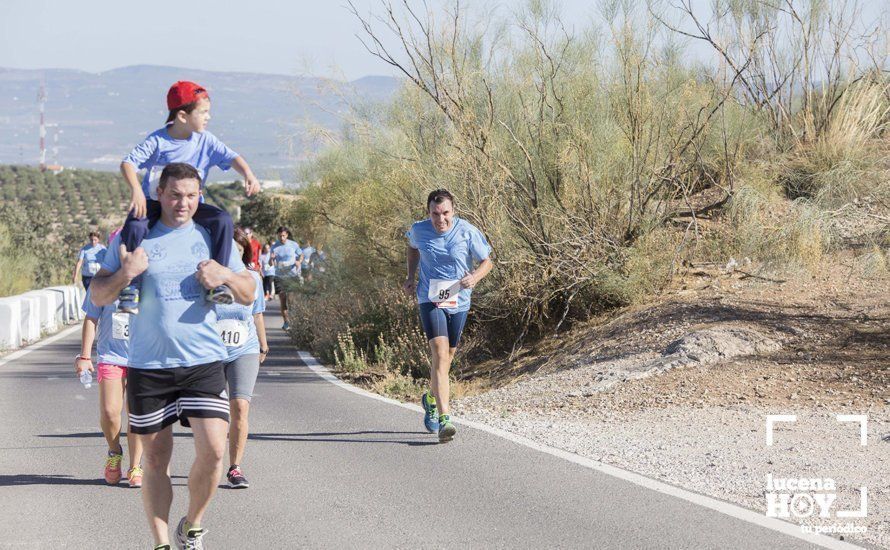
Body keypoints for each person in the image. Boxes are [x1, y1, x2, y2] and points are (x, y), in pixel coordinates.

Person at [90, 163, 256, 550]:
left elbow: (248, 292)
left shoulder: (213, 236)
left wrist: (225, 276)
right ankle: (162, 543)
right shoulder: (137, 235)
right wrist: (125, 274)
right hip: (149, 366)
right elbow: (98, 295)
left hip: (203, 361)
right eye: (175, 194)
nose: (183, 203)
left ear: (201, 197)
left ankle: (192, 526)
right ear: (160, 194)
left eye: (192, 195)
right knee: (154, 460)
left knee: (215, 451)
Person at [118, 80, 261, 314]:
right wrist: (136, 191)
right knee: (134, 225)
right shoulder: (158, 141)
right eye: (203, 112)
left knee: (223, 220)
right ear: (183, 116)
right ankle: (131, 287)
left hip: (192, 207)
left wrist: (248, 174)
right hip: (155, 203)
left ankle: (217, 283)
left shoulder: (206, 140)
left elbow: (233, 156)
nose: (208, 117)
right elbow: (128, 163)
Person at [403, 189, 493, 443]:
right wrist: (410, 277)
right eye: (435, 214)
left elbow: (487, 261)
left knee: (448, 358)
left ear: (453, 211)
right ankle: (445, 419)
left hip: (459, 299)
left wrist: (475, 276)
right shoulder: (419, 230)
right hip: (430, 298)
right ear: (428, 212)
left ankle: (430, 399)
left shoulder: (467, 231)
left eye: (445, 214)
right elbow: (412, 248)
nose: (440, 220)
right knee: (440, 354)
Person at [75, 288, 144, 488]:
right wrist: (85, 357)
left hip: (143, 358)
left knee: (137, 413)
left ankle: (135, 466)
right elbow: (91, 318)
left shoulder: (151, 276)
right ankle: (114, 452)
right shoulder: (104, 281)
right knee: (109, 412)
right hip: (111, 356)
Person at [217, 227, 268, 489]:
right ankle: (211, 458)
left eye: (239, 252)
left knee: (240, 406)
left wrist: (263, 343)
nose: (234, 257)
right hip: (211, 351)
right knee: (212, 414)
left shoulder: (253, 279)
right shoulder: (210, 278)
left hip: (243, 349)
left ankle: (235, 467)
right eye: (230, 252)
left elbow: (257, 313)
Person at [270, 227, 303, 330]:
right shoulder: (274, 247)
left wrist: (299, 262)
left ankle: (295, 321)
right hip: (280, 276)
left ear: (287, 235)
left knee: (292, 300)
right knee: (283, 300)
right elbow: (271, 263)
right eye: (280, 236)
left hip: (292, 275)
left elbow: (301, 255)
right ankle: (286, 323)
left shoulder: (293, 244)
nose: (282, 238)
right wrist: (271, 259)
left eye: (283, 235)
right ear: (277, 235)